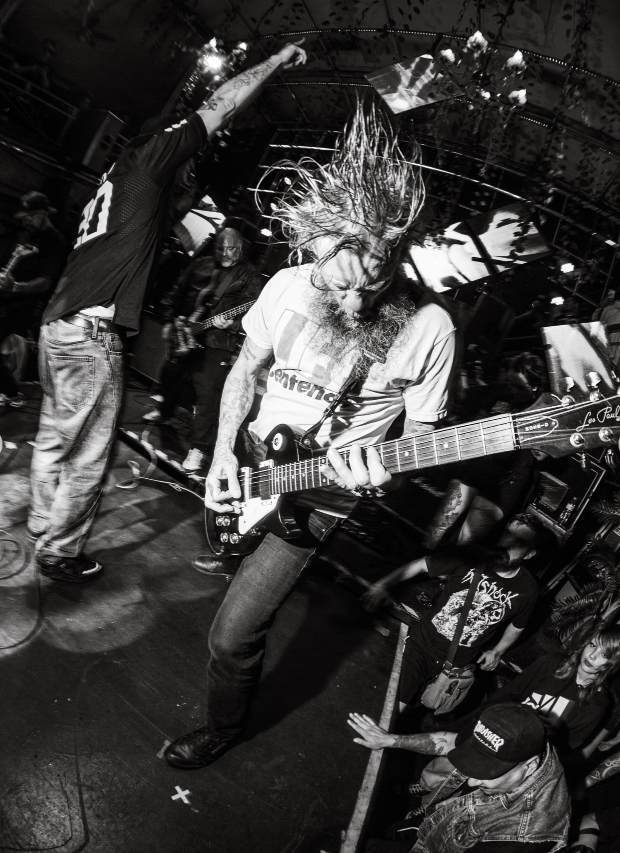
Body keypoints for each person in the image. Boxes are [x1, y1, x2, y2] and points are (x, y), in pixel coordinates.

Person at [163, 102, 456, 770]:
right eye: (342, 285)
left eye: (374, 284)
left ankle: (223, 729)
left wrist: (385, 474)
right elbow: (246, 369)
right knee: (231, 556)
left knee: (231, 636)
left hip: (319, 498)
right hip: (254, 463)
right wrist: (222, 453)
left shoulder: (430, 328)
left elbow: (421, 442)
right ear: (316, 250)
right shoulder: (288, 286)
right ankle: (234, 536)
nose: (355, 303)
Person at [27, 41, 308, 583]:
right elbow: (221, 105)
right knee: (88, 452)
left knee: (54, 435)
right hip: (91, 335)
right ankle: (59, 550)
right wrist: (276, 62)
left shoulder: (115, 186)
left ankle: (42, 521)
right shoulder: (149, 158)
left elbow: (170, 214)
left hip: (57, 325)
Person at [411, 626, 620, 814]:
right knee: (451, 763)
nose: (592, 655)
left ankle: (429, 811)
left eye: (604, 654)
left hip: (520, 755)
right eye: (592, 645)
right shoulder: (555, 663)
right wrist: (478, 721)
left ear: (612, 662)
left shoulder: (597, 703)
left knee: (472, 790)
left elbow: (567, 745)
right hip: (497, 729)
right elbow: (510, 693)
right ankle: (424, 786)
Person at [362, 514, 542, 712]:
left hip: (456, 668)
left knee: (417, 711)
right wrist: (383, 584)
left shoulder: (528, 590)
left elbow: (518, 625)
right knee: (390, 711)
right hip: (421, 648)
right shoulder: (472, 556)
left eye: (518, 542)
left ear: (529, 554)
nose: (507, 543)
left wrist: (497, 651)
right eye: (507, 534)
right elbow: (421, 565)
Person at [348, 702, 570, 853]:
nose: (471, 782)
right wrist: (390, 740)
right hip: (443, 819)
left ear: (530, 767)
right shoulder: (514, 737)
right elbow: (451, 742)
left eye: (488, 772)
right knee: (396, 831)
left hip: (443, 845)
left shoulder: (523, 837)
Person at [143, 227, 263, 472]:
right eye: (221, 248)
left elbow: (254, 314)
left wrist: (233, 325)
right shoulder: (201, 264)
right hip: (186, 332)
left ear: (240, 248)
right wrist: (168, 322)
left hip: (218, 342)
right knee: (172, 375)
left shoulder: (249, 275)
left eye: (231, 249)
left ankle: (198, 448)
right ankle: (164, 411)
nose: (225, 253)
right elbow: (178, 293)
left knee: (208, 396)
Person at [422, 354, 545, 550]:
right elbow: (469, 403)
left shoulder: (543, 410)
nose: (512, 390)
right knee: (438, 529)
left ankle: (449, 569)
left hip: (505, 483)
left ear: (535, 386)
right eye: (510, 383)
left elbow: (542, 454)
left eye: (518, 387)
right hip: (475, 469)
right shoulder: (499, 392)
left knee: (466, 543)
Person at [0, 191, 66, 405]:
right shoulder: (26, 234)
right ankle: (12, 393)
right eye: (23, 217)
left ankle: (13, 394)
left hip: (22, 306)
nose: (26, 220)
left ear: (43, 213)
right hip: (5, 300)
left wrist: (16, 287)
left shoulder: (54, 241)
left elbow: (46, 281)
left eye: (30, 216)